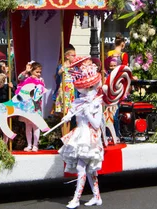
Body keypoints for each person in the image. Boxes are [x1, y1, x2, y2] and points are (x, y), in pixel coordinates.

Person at [59, 58, 105, 208]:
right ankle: (97, 197)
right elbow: (72, 112)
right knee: (91, 170)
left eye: (87, 88)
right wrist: (68, 115)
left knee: (81, 167)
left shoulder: (96, 103)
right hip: (80, 134)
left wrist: (88, 113)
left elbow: (97, 124)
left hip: (90, 138)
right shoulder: (80, 102)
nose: (84, 91)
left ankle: (76, 199)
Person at [16, 62, 45, 152]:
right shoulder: (26, 78)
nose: (39, 74)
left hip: (36, 105)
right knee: (28, 125)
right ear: (31, 71)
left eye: (40, 72)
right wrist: (26, 71)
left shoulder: (41, 80)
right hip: (27, 106)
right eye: (37, 72)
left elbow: (42, 90)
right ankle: (29, 145)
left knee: (35, 125)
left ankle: (35, 145)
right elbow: (19, 78)